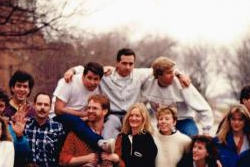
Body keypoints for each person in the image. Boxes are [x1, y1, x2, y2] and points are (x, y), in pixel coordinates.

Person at [62, 48, 191, 138]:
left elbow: (162, 68)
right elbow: (87, 70)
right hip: (113, 115)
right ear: (117, 63)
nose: (128, 67)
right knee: (107, 135)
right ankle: (109, 165)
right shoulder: (106, 75)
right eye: (124, 63)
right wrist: (72, 70)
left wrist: (179, 74)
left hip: (132, 115)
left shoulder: (139, 75)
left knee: (145, 136)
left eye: (131, 64)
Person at [59, 95, 124, 167]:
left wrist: (116, 159)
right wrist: (86, 158)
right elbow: (63, 160)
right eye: (88, 108)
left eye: (94, 108)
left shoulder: (114, 135)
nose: (90, 111)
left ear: (105, 111)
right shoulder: (75, 133)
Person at [140, 56, 213, 137]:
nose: (172, 75)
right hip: (162, 122)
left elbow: (204, 108)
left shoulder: (182, 83)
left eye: (173, 72)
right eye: (169, 73)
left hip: (183, 121)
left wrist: (206, 131)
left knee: (191, 141)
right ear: (158, 75)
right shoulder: (148, 82)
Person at [112, 103, 157, 167]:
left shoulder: (148, 140)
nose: (133, 118)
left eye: (137, 116)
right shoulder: (122, 137)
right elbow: (116, 163)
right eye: (131, 115)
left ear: (143, 119)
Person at [24, 92, 65, 167]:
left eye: (46, 105)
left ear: (50, 108)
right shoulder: (25, 126)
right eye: (39, 104)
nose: (42, 107)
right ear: (34, 105)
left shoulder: (57, 127)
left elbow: (62, 154)